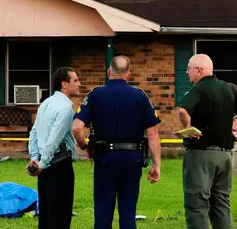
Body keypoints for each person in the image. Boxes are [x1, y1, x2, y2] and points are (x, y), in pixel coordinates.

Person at [72, 55, 161, 229]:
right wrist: (156, 164)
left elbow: (76, 127)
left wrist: (84, 146)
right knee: (128, 211)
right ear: (128, 75)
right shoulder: (140, 96)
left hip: (105, 157)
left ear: (108, 72)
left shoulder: (95, 94)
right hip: (132, 159)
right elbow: (152, 135)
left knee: (103, 211)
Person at [178, 54, 237, 229]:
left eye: (189, 68)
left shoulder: (198, 89)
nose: (187, 72)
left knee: (197, 204)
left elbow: (182, 111)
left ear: (199, 70)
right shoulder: (230, 88)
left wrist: (188, 128)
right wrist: (234, 126)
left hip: (201, 155)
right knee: (221, 205)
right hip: (225, 156)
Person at [26, 67, 81, 229]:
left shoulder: (46, 103)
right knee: (60, 217)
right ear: (64, 84)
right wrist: (42, 164)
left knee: (46, 215)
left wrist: (35, 158)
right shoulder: (65, 109)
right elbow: (53, 140)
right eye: (75, 80)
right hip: (58, 166)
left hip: (44, 164)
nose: (79, 84)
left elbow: (34, 133)